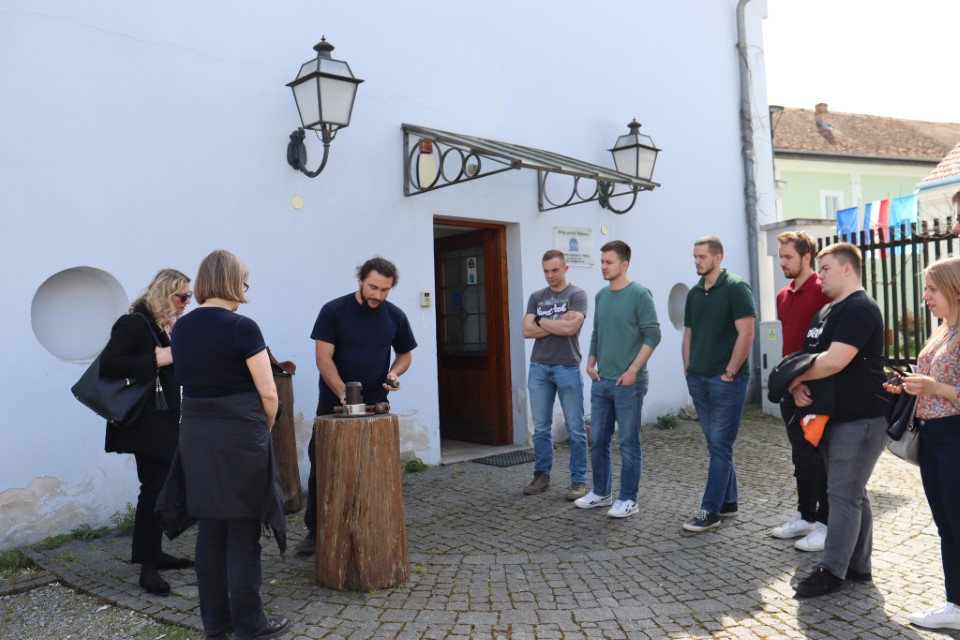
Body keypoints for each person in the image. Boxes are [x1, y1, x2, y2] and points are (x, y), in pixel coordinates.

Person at [171, 249, 288, 640]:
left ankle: (216, 624)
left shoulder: (181, 328)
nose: (245, 288)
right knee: (241, 530)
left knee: (210, 529)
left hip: (196, 434)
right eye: (244, 280)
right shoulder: (243, 327)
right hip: (239, 435)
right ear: (232, 281)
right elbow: (268, 393)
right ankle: (250, 624)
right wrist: (263, 427)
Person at [296, 256, 418, 555]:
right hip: (332, 406)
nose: (377, 295)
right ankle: (316, 531)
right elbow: (322, 359)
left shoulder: (396, 316)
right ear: (360, 280)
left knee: (374, 467)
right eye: (373, 287)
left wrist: (394, 372)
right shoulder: (334, 311)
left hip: (377, 405)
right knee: (322, 465)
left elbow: (404, 355)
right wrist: (341, 392)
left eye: (385, 290)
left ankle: (374, 527)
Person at [787, 242, 888, 598]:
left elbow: (834, 360)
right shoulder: (826, 311)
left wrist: (794, 378)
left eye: (826, 268)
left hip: (860, 418)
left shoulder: (860, 308)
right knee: (853, 493)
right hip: (832, 416)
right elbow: (810, 358)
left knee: (842, 494)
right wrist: (799, 386)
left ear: (848, 269)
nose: (820, 275)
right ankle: (859, 567)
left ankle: (831, 571)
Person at [100, 269, 193, 595]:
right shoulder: (135, 323)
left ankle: (153, 553)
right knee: (154, 491)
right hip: (148, 425)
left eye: (189, 297)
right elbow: (109, 364)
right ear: (164, 294)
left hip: (168, 421)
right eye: (182, 296)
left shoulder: (167, 325)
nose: (186, 302)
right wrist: (157, 359)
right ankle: (148, 568)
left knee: (160, 488)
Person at [883, 256, 960, 631]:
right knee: (947, 525)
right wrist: (909, 384)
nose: (926, 296)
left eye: (932, 288)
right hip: (931, 436)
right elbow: (930, 380)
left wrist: (934, 388)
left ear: (954, 289)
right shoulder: (943, 331)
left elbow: (946, 388)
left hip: (955, 436)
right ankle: (955, 604)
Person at [574, 241, 660, 518]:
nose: (603, 266)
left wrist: (633, 369)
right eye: (602, 261)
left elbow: (653, 334)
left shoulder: (639, 294)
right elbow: (597, 332)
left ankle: (628, 499)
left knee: (628, 441)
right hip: (601, 381)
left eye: (608, 262)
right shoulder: (601, 295)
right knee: (598, 438)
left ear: (624, 265)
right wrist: (589, 361)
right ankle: (601, 492)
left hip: (629, 383)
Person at [682, 236, 756, 532]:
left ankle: (709, 510)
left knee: (721, 445)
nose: (697, 261)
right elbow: (688, 335)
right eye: (695, 256)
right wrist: (688, 370)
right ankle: (729, 501)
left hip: (727, 381)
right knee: (716, 444)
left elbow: (746, 334)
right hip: (699, 379)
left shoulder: (736, 288)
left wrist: (730, 371)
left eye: (702, 256)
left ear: (718, 257)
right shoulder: (694, 293)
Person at [771, 231, 833, 551]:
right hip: (790, 389)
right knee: (800, 458)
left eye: (787, 257)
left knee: (820, 459)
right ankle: (806, 515)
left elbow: (828, 346)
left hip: (816, 391)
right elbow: (789, 345)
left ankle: (825, 523)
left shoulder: (824, 292)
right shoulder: (783, 295)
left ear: (806, 257)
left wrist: (804, 384)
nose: (781, 262)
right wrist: (791, 384)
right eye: (780, 256)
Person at [521, 250, 589, 500]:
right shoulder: (536, 297)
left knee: (576, 427)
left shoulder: (577, 295)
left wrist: (540, 321)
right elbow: (526, 331)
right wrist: (555, 322)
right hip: (538, 367)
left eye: (555, 270)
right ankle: (542, 476)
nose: (550, 275)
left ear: (565, 268)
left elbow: (570, 328)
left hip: (567, 366)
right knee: (540, 428)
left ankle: (579, 481)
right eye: (546, 271)